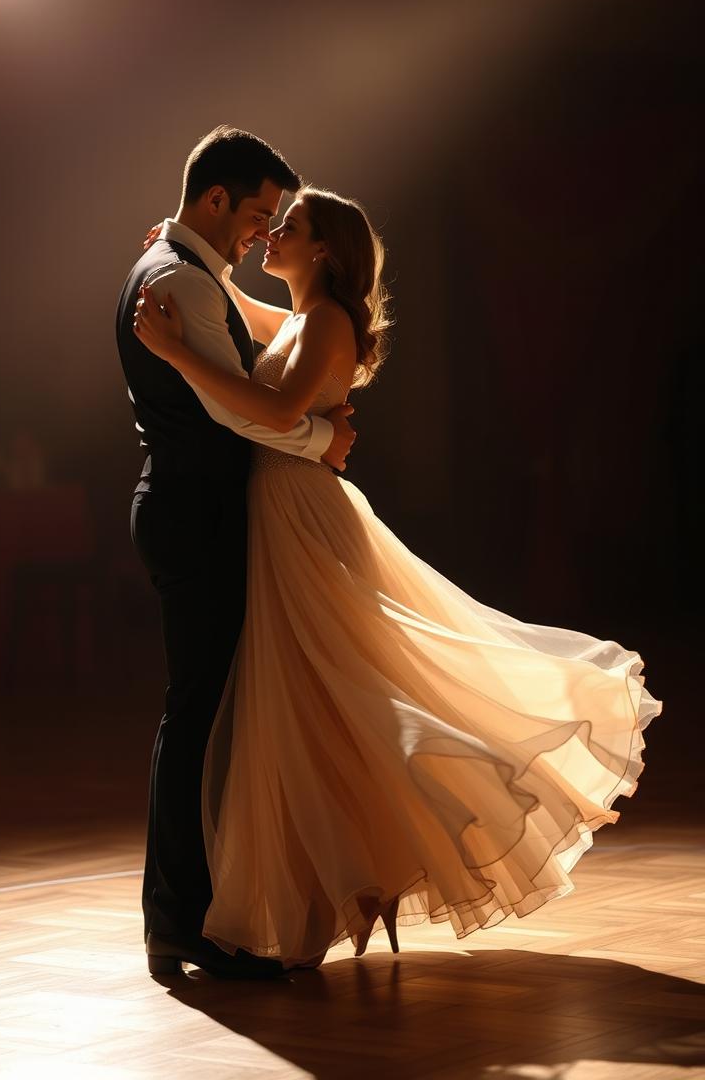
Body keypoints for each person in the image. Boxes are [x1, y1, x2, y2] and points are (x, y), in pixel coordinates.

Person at [133, 183, 664, 970]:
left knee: (346, 692)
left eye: (291, 225)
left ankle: (359, 876)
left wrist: (176, 352)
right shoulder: (309, 318)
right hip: (284, 513)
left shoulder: (331, 322)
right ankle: (352, 880)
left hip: (299, 516)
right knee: (323, 702)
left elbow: (274, 415)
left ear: (322, 249)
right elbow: (248, 320)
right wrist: (197, 256)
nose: (273, 232)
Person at [115, 126, 357, 981]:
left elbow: (253, 344)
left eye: (277, 223)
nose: (263, 232)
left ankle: (194, 915)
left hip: (202, 511)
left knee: (214, 715)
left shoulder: (189, 274)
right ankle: (182, 920)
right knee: (202, 717)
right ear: (214, 200)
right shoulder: (178, 279)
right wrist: (324, 436)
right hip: (197, 514)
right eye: (258, 214)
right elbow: (245, 413)